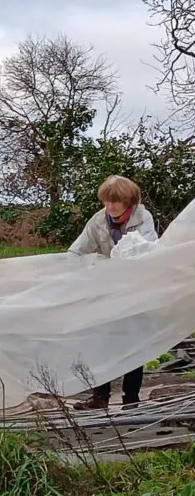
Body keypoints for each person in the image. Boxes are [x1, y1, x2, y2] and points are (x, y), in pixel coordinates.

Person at [69, 175, 158, 410]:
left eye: (116, 201)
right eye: (107, 201)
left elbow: (148, 250)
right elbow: (76, 251)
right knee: (101, 343)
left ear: (129, 201)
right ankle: (100, 397)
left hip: (135, 291)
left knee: (134, 345)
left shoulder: (143, 218)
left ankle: (131, 400)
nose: (111, 206)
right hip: (107, 292)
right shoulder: (98, 220)